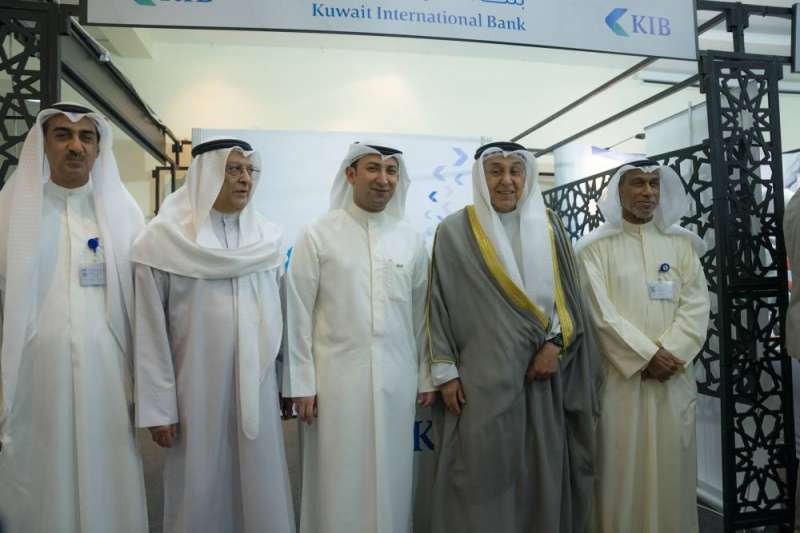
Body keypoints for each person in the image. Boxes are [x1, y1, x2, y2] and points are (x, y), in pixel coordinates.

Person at [425, 141, 599, 533]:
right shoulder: (453, 231)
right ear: (480, 177)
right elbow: (437, 304)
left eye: (515, 171)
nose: (506, 181)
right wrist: (446, 373)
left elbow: (570, 299)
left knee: (539, 470)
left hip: (541, 378)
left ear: (527, 177)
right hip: (479, 382)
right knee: (479, 473)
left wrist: (554, 346)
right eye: (496, 171)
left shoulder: (550, 226)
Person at [131, 138, 295, 533]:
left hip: (257, 387)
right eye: (232, 169)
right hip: (194, 391)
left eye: (249, 171)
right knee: (199, 488)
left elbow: (282, 317)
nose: (244, 179)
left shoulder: (267, 240)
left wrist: (286, 381)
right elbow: (150, 331)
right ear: (205, 176)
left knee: (260, 485)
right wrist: (159, 408)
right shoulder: (162, 241)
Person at [0, 103, 148, 533]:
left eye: (86, 137)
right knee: (40, 472)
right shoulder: (10, 210)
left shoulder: (124, 214)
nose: (75, 146)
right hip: (33, 375)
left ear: (99, 148)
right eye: (62, 135)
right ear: (44, 145)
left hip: (108, 375)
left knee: (107, 469)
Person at [283, 142, 435, 533]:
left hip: (396, 381)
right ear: (350, 175)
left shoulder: (411, 239)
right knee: (338, 478)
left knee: (393, 474)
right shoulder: (317, 235)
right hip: (333, 384)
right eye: (373, 168)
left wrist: (424, 376)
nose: (383, 179)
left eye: (391, 171)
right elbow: (298, 313)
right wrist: (302, 383)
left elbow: (420, 315)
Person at [576, 161, 710, 533]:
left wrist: (671, 353)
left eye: (653, 184)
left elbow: (697, 305)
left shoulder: (682, 245)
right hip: (620, 382)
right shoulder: (594, 249)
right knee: (620, 472)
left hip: (672, 380)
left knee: (672, 471)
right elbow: (598, 314)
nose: (648, 192)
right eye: (638, 183)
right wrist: (647, 356)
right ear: (618, 191)